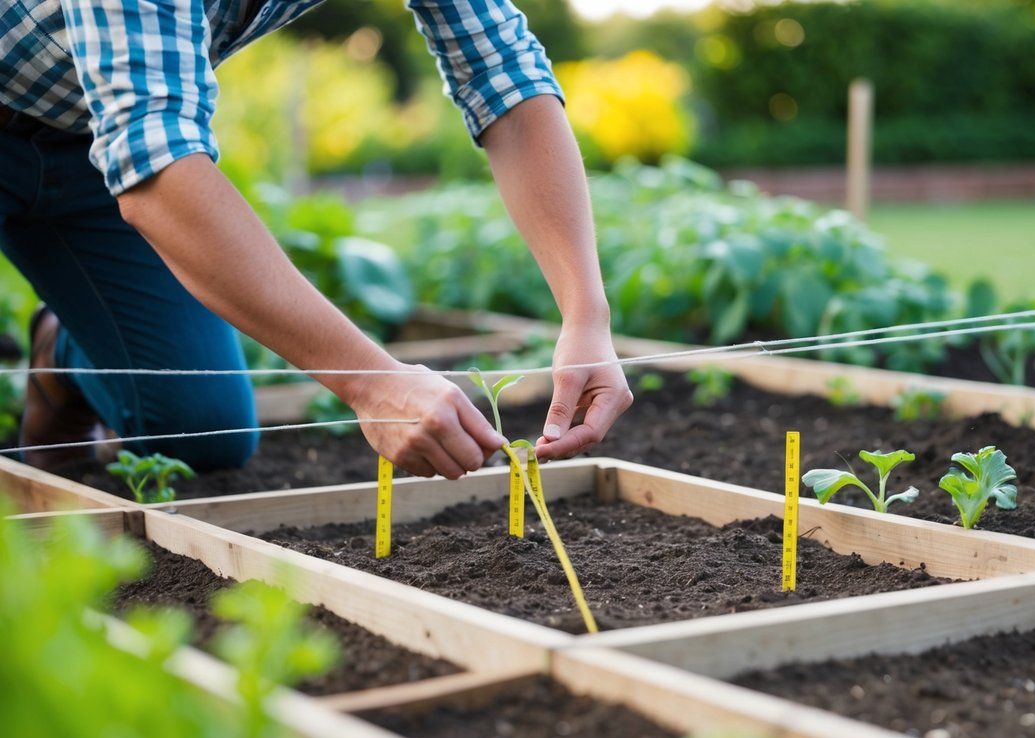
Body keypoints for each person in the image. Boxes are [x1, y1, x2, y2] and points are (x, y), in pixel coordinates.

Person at [0, 0, 632, 477]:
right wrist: (369, 380)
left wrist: (586, 314)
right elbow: (158, 165)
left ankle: (63, 355)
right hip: (119, 148)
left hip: (90, 142)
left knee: (201, 431)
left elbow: (504, 73)